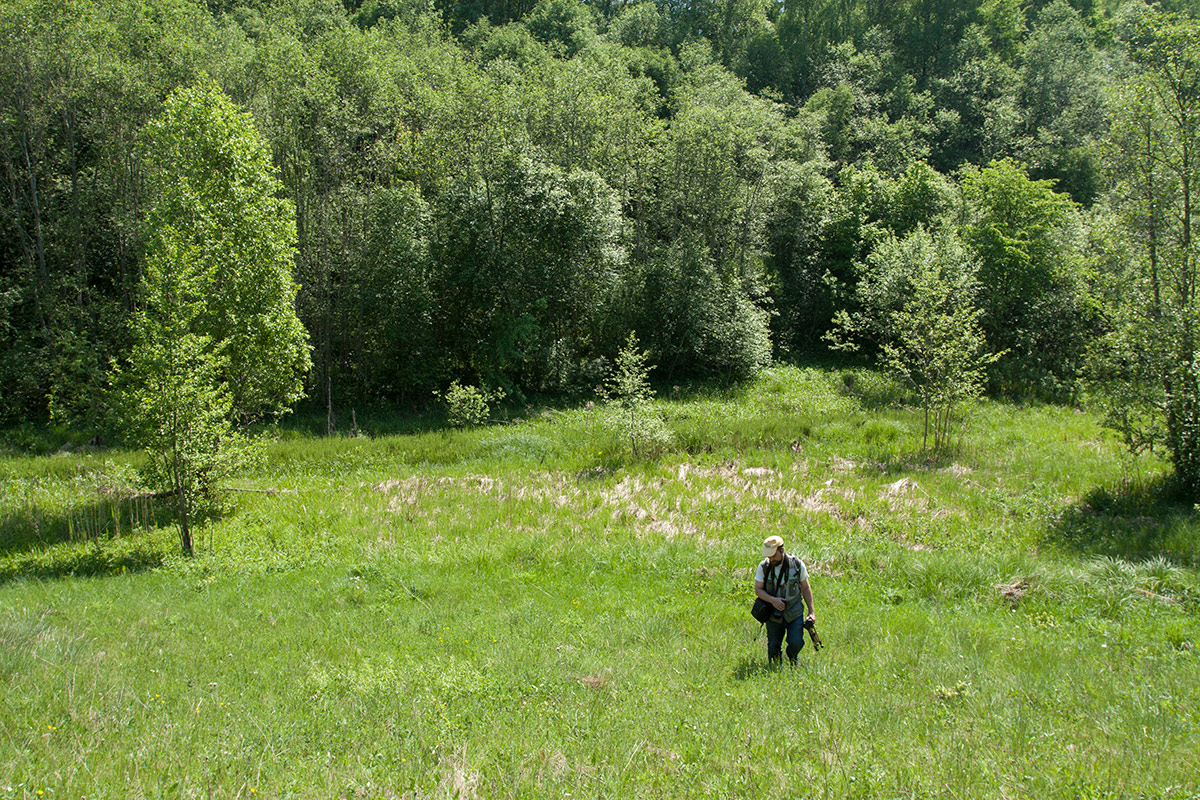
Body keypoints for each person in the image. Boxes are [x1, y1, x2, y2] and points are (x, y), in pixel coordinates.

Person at [754, 534, 816, 665]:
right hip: (773, 615)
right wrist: (772, 600)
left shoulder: (797, 565)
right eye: (768, 556)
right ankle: (776, 673)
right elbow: (758, 589)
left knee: (796, 643)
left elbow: (805, 588)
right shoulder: (763, 567)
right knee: (773, 648)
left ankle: (792, 657)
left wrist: (811, 612)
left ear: (782, 550)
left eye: (773, 555)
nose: (771, 559)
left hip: (795, 612)